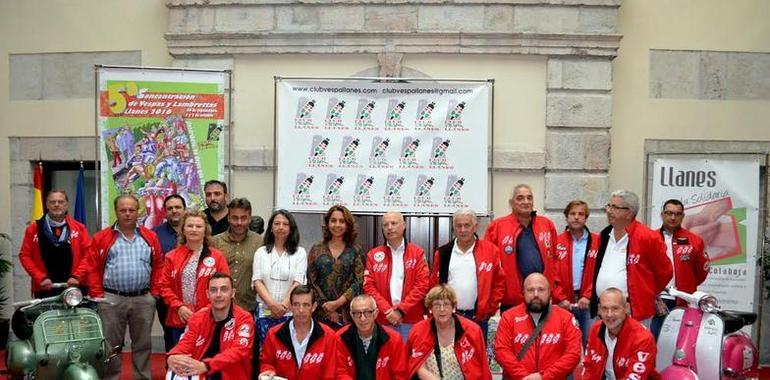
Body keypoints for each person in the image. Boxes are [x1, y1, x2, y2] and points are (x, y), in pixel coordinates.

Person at [89, 194, 163, 380]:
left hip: (143, 299)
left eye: (131, 210)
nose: (128, 214)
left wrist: (154, 293)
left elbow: (159, 265)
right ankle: (111, 377)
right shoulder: (102, 237)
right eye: (123, 210)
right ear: (116, 212)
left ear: (137, 212)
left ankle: (142, 377)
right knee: (111, 345)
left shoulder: (150, 236)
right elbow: (92, 266)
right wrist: (98, 295)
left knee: (143, 344)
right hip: (112, 299)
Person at [590, 190, 672, 326]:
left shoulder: (648, 237)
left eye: (614, 207)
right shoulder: (604, 235)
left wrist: (645, 292)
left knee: (634, 347)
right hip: (604, 310)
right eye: (608, 206)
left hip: (634, 312)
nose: (609, 211)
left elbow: (665, 272)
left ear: (629, 212)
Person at [483, 184, 562, 312]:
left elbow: (555, 261)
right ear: (511, 203)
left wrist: (556, 292)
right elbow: (490, 266)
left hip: (542, 299)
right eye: (520, 198)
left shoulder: (546, 224)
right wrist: (493, 299)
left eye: (529, 198)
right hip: (511, 301)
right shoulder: (497, 227)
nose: (526, 202)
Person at [160, 209, 230, 346]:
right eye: (190, 226)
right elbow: (164, 286)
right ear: (183, 229)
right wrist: (178, 306)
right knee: (181, 361)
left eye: (198, 226)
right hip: (179, 318)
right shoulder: (171, 256)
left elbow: (225, 286)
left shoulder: (216, 256)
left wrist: (209, 309)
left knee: (207, 361)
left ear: (205, 230)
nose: (194, 229)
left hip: (210, 317)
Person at [431, 208, 505, 338]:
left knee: (476, 357)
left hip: (478, 319)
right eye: (459, 226)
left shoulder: (491, 251)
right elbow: (434, 285)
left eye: (467, 225)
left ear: (475, 227)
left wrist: (489, 310)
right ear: (453, 228)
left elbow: (499, 283)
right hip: (449, 317)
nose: (463, 230)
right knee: (450, 357)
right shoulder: (443, 253)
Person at [494, 273, 582, 380]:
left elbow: (573, 354)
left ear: (549, 292)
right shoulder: (509, 317)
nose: (536, 294)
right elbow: (501, 351)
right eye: (530, 290)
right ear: (523, 293)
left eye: (541, 290)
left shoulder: (566, 318)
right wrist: (524, 376)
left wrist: (544, 376)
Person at [166, 272, 254, 379]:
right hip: (202, 374)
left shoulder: (244, 318)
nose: (218, 294)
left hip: (230, 375)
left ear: (233, 293)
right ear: (207, 294)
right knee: (175, 372)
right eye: (213, 290)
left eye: (224, 289)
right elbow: (185, 343)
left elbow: (239, 351)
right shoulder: (198, 318)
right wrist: (172, 356)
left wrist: (207, 365)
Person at [363, 211, 429, 341]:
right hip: (383, 320)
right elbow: (369, 287)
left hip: (411, 320)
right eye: (385, 225)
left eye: (393, 223)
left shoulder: (417, 253)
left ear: (404, 225)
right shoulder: (373, 255)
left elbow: (422, 285)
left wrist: (401, 310)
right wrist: (388, 311)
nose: (389, 227)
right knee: (384, 360)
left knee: (409, 360)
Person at [650, 198, 710, 339]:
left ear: (682, 216)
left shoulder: (694, 240)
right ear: (662, 215)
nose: (672, 217)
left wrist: (687, 286)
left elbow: (701, 271)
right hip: (656, 301)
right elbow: (642, 271)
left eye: (677, 214)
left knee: (680, 342)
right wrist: (652, 296)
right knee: (653, 341)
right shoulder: (650, 238)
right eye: (669, 213)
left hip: (682, 301)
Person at [406, 284, 491, 380]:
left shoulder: (472, 330)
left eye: (446, 304)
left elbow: (482, 366)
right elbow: (418, 367)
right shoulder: (418, 330)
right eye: (437, 305)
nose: (442, 309)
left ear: (453, 307)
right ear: (430, 308)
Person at [19, 190, 92, 298]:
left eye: (60, 202)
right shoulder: (33, 229)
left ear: (66, 205)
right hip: (44, 287)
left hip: (74, 288)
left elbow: (89, 254)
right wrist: (41, 278)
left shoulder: (79, 228)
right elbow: (25, 256)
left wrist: (77, 276)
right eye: (52, 202)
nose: (56, 205)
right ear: (47, 205)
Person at [252, 209, 308, 344]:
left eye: (285, 224)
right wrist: (272, 305)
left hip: (290, 314)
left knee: (287, 354)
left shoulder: (300, 253)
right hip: (265, 313)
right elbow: (257, 281)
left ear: (291, 228)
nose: (281, 227)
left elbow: (298, 282)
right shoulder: (261, 252)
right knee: (265, 354)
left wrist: (282, 307)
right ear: (271, 227)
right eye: (277, 223)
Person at [259, 285, 336, 379]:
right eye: (296, 304)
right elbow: (267, 363)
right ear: (290, 307)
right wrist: (269, 371)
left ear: (314, 307)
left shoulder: (329, 336)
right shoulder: (273, 334)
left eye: (306, 305)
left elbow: (330, 374)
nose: (301, 310)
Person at [582, 288, 659, 380]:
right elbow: (588, 367)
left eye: (615, 308)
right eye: (605, 308)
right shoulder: (595, 329)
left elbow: (635, 378)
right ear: (599, 310)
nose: (609, 314)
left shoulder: (643, 338)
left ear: (626, 308)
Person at [307, 205, 364, 327]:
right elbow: (311, 282)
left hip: (348, 314)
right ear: (327, 223)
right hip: (320, 313)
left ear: (348, 225)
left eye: (342, 221)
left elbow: (358, 282)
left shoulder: (355, 250)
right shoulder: (316, 249)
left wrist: (337, 303)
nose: (337, 225)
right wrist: (326, 306)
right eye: (333, 220)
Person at [553, 200, 599, 346]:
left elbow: (600, 272)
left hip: (588, 303)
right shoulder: (556, 242)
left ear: (586, 218)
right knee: (563, 345)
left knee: (591, 343)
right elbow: (550, 273)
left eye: (581, 214)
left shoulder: (597, 241)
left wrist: (588, 295)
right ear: (566, 217)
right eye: (573, 214)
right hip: (563, 303)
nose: (577, 217)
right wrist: (560, 298)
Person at [334, 294, 407, 380]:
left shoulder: (393, 339)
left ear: (376, 313)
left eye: (367, 312)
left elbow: (400, 375)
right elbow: (339, 372)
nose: (363, 318)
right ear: (351, 315)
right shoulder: (340, 337)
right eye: (357, 313)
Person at [211, 198, 264, 313]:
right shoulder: (215, 242)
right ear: (228, 218)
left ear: (249, 219)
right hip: (219, 307)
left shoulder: (260, 242)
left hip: (249, 307)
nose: (239, 222)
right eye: (235, 218)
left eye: (243, 218)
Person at [152, 193, 186, 350]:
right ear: (165, 212)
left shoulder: (193, 230)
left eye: (178, 207)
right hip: (165, 295)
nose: (174, 211)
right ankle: (172, 370)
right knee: (170, 334)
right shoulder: (155, 234)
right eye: (170, 208)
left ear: (185, 209)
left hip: (191, 294)